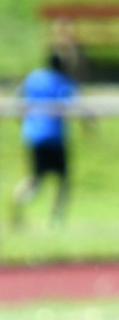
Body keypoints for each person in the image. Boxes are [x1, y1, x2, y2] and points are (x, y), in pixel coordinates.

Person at [12, 52, 77, 225]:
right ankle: (57, 217)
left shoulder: (34, 77)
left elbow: (19, 95)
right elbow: (69, 103)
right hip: (54, 137)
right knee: (63, 180)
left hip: (33, 135)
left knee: (36, 178)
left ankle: (18, 202)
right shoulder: (62, 80)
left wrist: (23, 117)